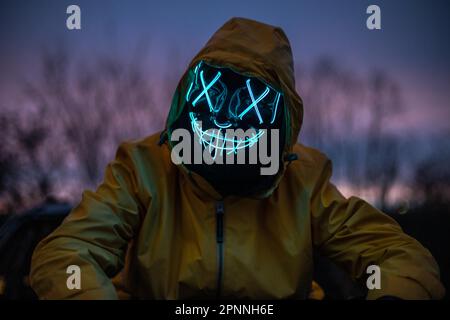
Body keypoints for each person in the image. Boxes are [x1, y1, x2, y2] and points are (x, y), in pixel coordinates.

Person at [30, 17, 445, 300]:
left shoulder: (303, 180)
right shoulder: (144, 167)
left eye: (250, 103)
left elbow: (402, 258)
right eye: (212, 93)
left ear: (280, 121)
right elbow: (67, 254)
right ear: (188, 96)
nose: (224, 119)